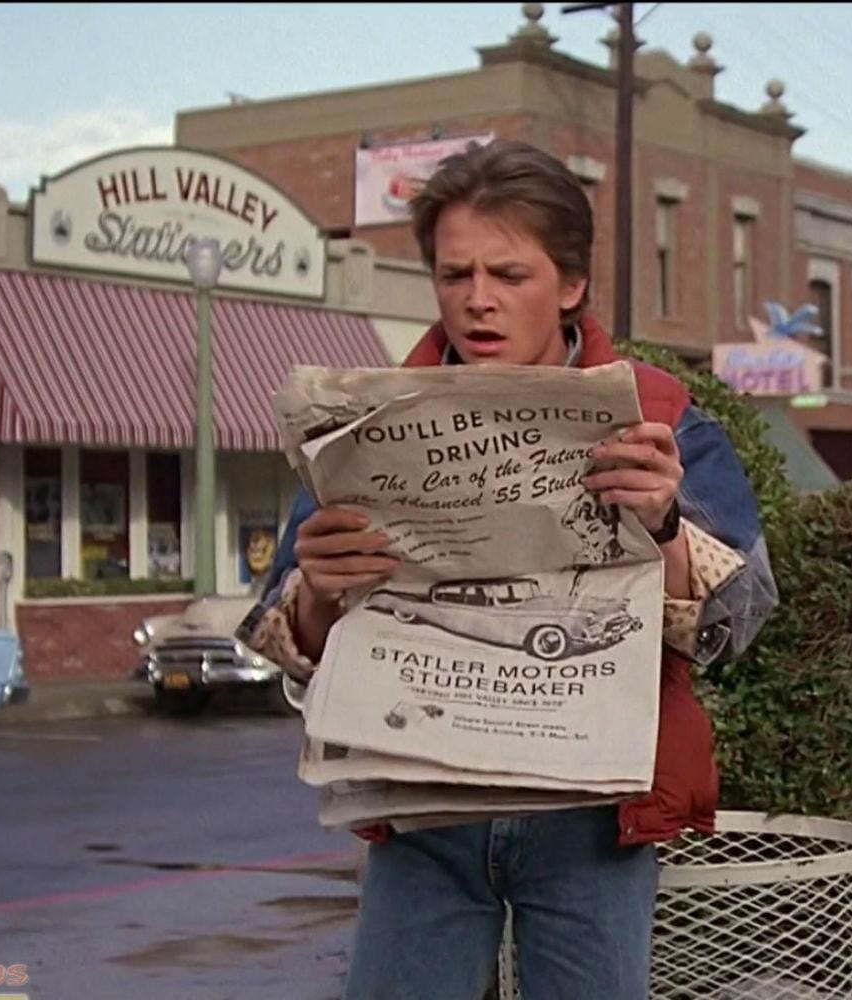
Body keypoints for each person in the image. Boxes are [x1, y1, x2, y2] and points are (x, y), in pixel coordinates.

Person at [244, 139, 777, 1000]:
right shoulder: (366, 417)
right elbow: (288, 629)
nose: (478, 299)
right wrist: (319, 593)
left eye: (508, 274)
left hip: (593, 816)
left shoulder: (659, 414)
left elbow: (739, 618)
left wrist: (663, 526)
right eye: (455, 275)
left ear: (571, 285)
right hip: (423, 803)